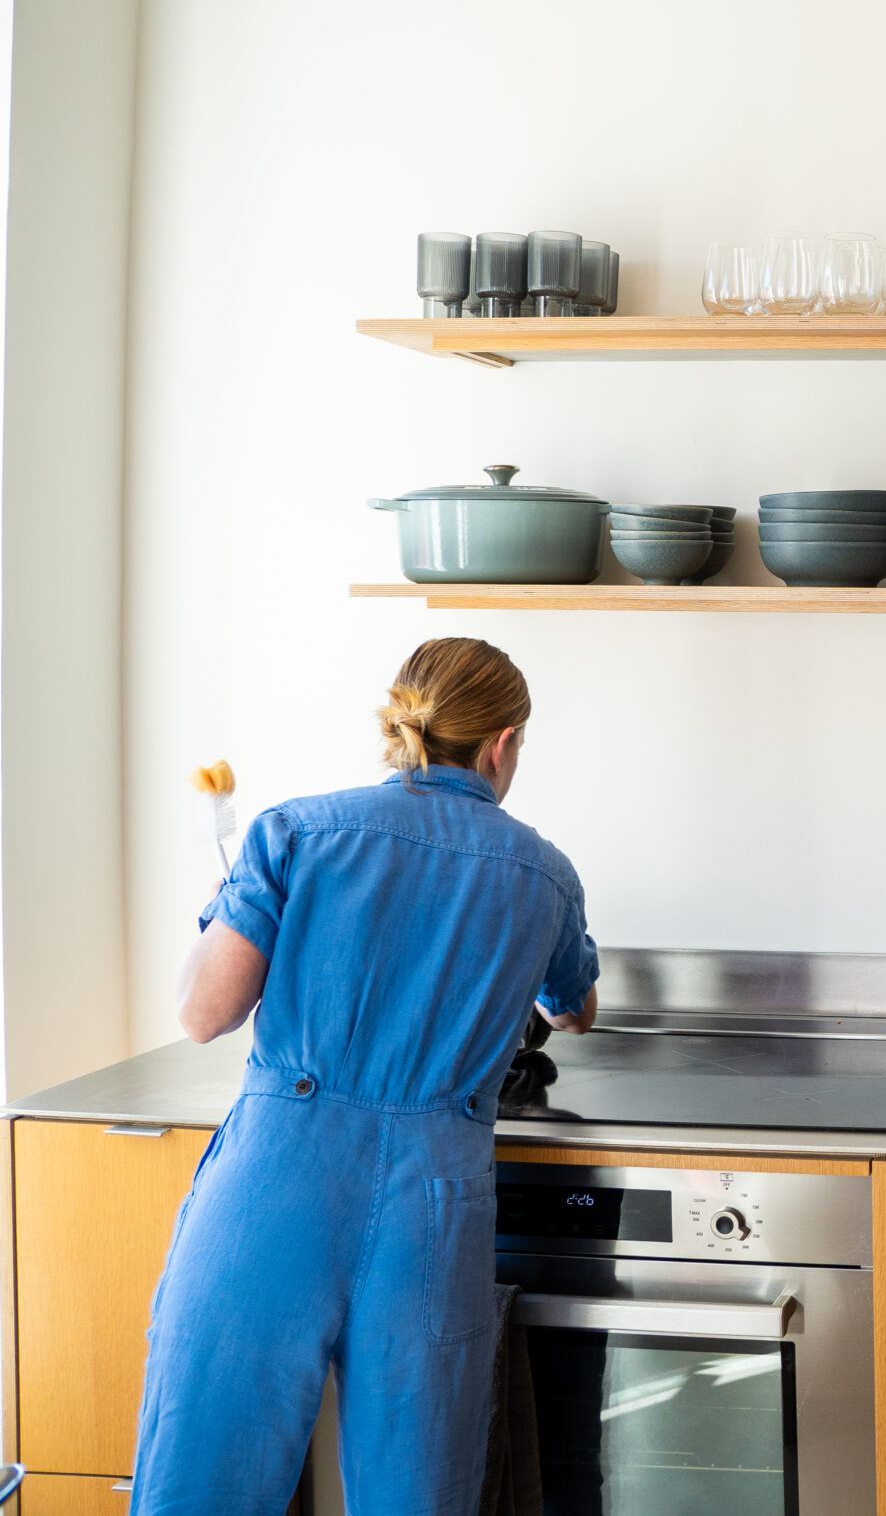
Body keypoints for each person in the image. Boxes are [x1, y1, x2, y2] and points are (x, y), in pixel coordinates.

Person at [132, 637, 599, 1514]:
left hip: (274, 1185)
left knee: (203, 1479)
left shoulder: (295, 832)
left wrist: (233, 902)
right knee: (417, 1488)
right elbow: (575, 1008)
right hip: (434, 1200)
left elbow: (203, 1013)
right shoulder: (545, 873)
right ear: (502, 743)